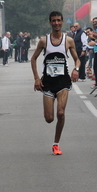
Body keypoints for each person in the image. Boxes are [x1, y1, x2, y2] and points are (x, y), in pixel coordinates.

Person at [30, 11, 80, 155]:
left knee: (61, 113)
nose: (56, 23)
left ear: (62, 22)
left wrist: (76, 69)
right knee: (49, 119)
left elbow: (77, 59)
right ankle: (47, 109)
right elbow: (33, 59)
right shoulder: (44, 41)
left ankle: (56, 144)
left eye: (59, 20)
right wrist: (36, 78)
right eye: (53, 21)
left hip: (63, 81)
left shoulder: (68, 40)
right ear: (50, 22)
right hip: (48, 82)